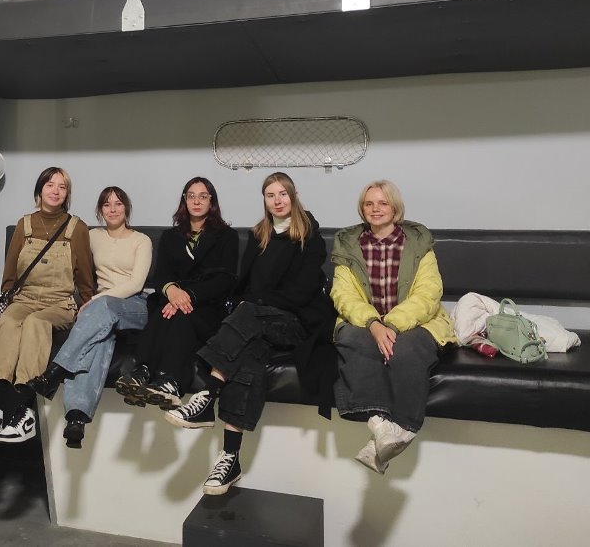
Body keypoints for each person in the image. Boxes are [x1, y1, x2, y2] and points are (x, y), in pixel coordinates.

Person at [164, 172, 336, 495]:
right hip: (258, 321)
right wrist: (253, 302)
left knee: (247, 314)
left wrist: (255, 302)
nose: (277, 201)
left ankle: (208, 394)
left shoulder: (309, 235)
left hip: (296, 323)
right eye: (270, 195)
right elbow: (247, 285)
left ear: (294, 195)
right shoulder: (260, 235)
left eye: (282, 194)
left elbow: (300, 294)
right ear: (265, 200)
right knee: (248, 356)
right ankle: (230, 457)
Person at [329, 179, 457, 474]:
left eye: (383, 203)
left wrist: (392, 324)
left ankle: (389, 437)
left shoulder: (418, 244)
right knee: (353, 340)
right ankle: (380, 427)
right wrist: (374, 323)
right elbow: (343, 294)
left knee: (405, 350)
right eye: (369, 203)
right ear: (362, 209)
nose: (375, 209)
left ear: (395, 207)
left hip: (416, 321)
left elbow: (429, 293)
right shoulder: (348, 246)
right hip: (365, 321)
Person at [0, 167, 95, 447]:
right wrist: (2, 309)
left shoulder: (77, 228)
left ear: (67, 194)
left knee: (35, 324)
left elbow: (85, 278)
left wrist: (89, 306)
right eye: (50, 184)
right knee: (8, 323)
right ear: (40, 190)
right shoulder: (24, 225)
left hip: (59, 303)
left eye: (62, 187)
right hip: (24, 299)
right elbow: (10, 276)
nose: (55, 190)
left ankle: (23, 410)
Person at [28, 186, 153, 448]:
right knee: (98, 339)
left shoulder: (141, 240)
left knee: (102, 308)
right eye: (107, 204)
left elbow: (135, 284)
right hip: (101, 312)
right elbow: (62, 253)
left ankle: (56, 370)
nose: (113, 209)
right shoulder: (92, 236)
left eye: (118, 203)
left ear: (127, 208)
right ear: (100, 210)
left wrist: (95, 300)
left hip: (135, 305)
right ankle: (77, 418)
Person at [115, 177, 238, 410]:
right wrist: (172, 291)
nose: (196, 201)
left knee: (181, 313)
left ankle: (172, 381)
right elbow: (161, 275)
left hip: (208, 306)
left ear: (211, 201)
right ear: (184, 200)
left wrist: (186, 295)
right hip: (171, 299)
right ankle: (142, 371)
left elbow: (225, 280)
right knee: (164, 310)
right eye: (191, 196)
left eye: (203, 196)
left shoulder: (227, 236)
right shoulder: (170, 237)